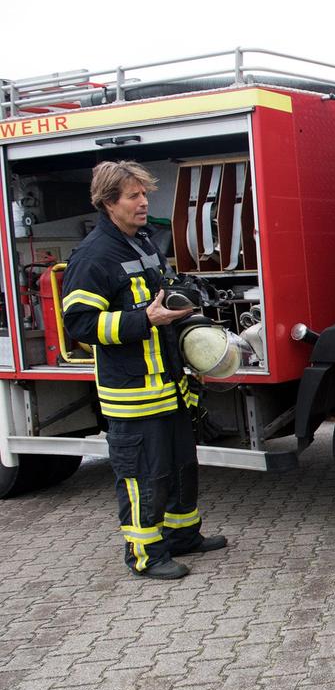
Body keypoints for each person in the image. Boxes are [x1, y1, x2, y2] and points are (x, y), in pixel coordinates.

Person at [61, 161, 227, 580]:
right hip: (133, 393)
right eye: (134, 196)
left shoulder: (144, 243)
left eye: (144, 194)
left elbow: (159, 297)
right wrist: (145, 320)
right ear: (108, 202)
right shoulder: (94, 256)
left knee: (180, 466)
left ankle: (183, 536)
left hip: (169, 385)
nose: (143, 202)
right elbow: (79, 325)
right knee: (143, 475)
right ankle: (145, 555)